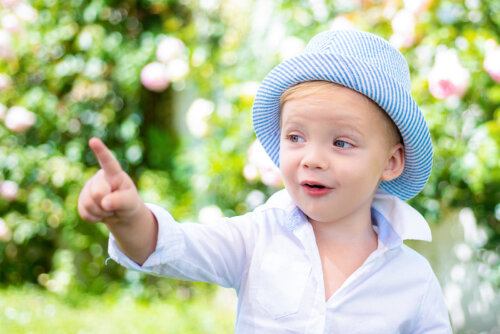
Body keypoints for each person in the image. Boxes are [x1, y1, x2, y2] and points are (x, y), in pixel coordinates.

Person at [78, 30, 452, 333]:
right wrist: (128, 217)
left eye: (341, 142)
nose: (312, 158)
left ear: (390, 162)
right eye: (296, 137)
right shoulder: (257, 239)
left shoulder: (412, 281)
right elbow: (172, 248)